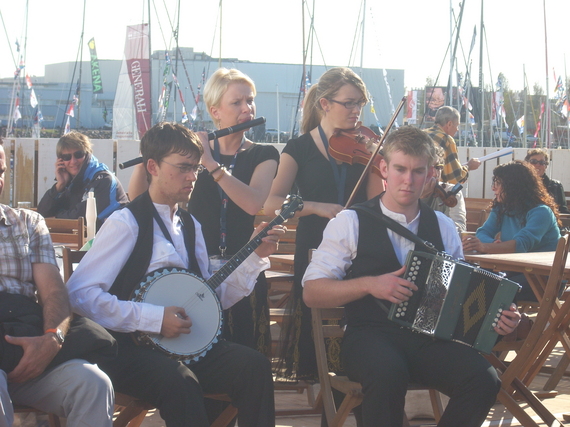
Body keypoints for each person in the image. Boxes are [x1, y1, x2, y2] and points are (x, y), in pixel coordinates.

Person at [303, 126, 520, 427]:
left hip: (428, 341)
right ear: (383, 168)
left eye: (418, 171)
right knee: (386, 371)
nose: (408, 180)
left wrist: (498, 317)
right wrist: (370, 284)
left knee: (483, 379)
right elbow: (312, 292)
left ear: (431, 174)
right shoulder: (350, 222)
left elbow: (462, 296)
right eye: (400, 169)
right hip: (368, 336)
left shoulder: (444, 226)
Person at [67, 122, 281, 427]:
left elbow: (209, 296)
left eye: (196, 168)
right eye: (183, 168)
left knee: (255, 366)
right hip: (130, 350)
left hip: (185, 348)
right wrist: (152, 318)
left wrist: (254, 256)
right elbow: (79, 294)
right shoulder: (126, 223)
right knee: (181, 382)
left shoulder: (191, 224)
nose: (192, 177)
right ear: (152, 166)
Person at [130, 69, 279, 356]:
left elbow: (251, 203)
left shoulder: (264, 154)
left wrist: (210, 163)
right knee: (199, 351)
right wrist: (147, 156)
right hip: (197, 270)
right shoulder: (190, 153)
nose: (247, 108)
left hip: (243, 269)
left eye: (250, 100)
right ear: (215, 111)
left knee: (246, 353)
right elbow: (137, 198)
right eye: (237, 102)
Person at [265, 67, 385, 381]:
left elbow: (380, 203)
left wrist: (383, 166)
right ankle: (318, 381)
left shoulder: (366, 148)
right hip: (315, 244)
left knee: (357, 313)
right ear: (325, 104)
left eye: (360, 103)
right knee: (316, 314)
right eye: (349, 103)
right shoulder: (298, 148)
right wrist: (317, 207)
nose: (357, 110)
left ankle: (355, 377)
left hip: (359, 245)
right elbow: (271, 202)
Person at [0, 138, 114, 426]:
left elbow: (53, 291)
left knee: (94, 384)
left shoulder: (26, 223)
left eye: (1, 171)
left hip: (27, 340)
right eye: (67, 156)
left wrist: (52, 339)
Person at [463, 160, 561, 301]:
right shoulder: (502, 208)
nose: (493, 188)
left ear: (513, 186)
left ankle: (516, 323)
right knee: (470, 279)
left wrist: (485, 246)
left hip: (544, 279)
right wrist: (493, 244)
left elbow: (521, 245)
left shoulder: (541, 212)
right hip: (514, 271)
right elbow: (482, 232)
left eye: (498, 184)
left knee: (494, 288)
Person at [37, 131, 129, 230]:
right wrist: (59, 186)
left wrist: (54, 219)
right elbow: (42, 213)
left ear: (87, 154)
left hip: (112, 240)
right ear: (61, 160)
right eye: (67, 157)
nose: (73, 161)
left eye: (78, 154)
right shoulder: (70, 182)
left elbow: (82, 217)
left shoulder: (104, 179)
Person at [425, 106, 480, 184]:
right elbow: (455, 178)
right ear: (449, 124)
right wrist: (469, 166)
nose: (457, 129)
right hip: (432, 190)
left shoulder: (422, 134)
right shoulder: (447, 140)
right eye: (457, 125)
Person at [420, 163, 467, 233]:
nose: (435, 174)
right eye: (428, 168)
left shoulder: (450, 192)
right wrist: (421, 197)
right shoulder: (405, 192)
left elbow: (459, 227)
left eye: (438, 168)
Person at [525, 148, 569, 214]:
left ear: (546, 166)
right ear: (527, 164)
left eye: (542, 162)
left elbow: (563, 210)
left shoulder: (556, 185)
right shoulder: (521, 184)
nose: (538, 165)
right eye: (533, 161)